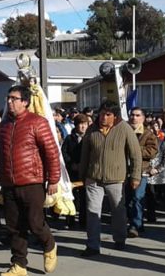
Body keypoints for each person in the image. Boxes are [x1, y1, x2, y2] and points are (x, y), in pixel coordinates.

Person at [0, 85, 60, 276]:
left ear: (25, 101)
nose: (10, 102)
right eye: (8, 98)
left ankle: (49, 245)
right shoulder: (4, 125)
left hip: (32, 181)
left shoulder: (37, 122)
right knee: (14, 226)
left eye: (14, 98)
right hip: (9, 184)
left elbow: (51, 152)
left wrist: (54, 179)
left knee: (35, 223)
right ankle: (19, 264)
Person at [79, 101, 142, 256]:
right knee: (92, 212)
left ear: (115, 116)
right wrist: (82, 177)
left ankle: (120, 239)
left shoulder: (124, 129)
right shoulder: (91, 130)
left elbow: (136, 154)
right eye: (101, 114)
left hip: (116, 179)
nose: (103, 118)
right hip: (94, 178)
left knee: (118, 211)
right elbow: (85, 155)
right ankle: (93, 245)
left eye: (108, 115)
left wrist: (135, 176)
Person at [126, 107, 158, 237]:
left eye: (137, 115)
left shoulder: (148, 134)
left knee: (137, 198)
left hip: (141, 171)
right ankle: (136, 223)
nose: (134, 117)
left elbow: (152, 151)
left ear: (143, 118)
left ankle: (135, 225)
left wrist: (134, 149)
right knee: (128, 199)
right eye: (132, 115)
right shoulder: (125, 131)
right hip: (125, 170)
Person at [61, 113, 90, 229]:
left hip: (86, 172)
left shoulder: (90, 137)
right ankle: (70, 221)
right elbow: (64, 153)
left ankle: (84, 221)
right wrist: (71, 163)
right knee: (71, 197)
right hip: (72, 172)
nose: (82, 127)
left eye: (84, 124)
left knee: (85, 198)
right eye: (80, 124)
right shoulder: (69, 138)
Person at [145, 122, 165, 223]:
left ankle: (154, 212)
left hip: (158, 174)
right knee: (147, 195)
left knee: (155, 195)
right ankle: (149, 215)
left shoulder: (161, 142)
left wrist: (158, 168)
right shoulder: (141, 142)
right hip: (145, 172)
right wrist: (147, 169)